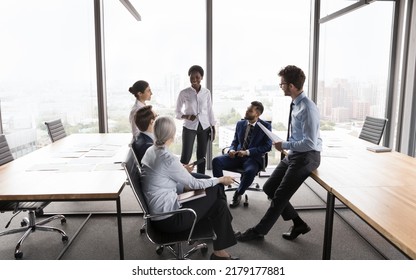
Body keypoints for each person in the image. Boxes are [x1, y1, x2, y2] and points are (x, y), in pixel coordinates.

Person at [237, 65, 322, 242]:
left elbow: (310, 143)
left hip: (307, 156)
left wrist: (283, 144)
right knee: (269, 187)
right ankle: (299, 224)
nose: (280, 86)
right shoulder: (295, 103)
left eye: (282, 83)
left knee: (280, 195)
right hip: (294, 153)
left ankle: (258, 231)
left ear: (291, 86)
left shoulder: (308, 108)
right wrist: (285, 145)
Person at [140, 116, 239, 260]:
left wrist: (182, 171)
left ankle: (220, 247)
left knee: (217, 202)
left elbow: (163, 177)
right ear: (172, 134)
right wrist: (221, 179)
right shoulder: (168, 159)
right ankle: (224, 227)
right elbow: (195, 185)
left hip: (162, 212)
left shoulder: (151, 150)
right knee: (216, 188)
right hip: (170, 220)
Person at [212, 101, 272, 208]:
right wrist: (231, 150)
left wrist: (248, 152)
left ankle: (238, 193)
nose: (246, 112)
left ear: (257, 114)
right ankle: (220, 194)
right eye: (247, 109)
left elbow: (267, 146)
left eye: (250, 111)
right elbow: (235, 142)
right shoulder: (240, 124)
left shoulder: (265, 126)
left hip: (252, 158)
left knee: (250, 171)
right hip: (236, 156)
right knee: (216, 161)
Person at [175, 65, 216, 174]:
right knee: (186, 155)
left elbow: (209, 110)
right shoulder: (184, 93)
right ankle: (181, 178)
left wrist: (213, 127)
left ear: (201, 77)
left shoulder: (206, 92)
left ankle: (201, 178)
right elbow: (177, 113)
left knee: (201, 156)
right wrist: (187, 116)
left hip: (205, 127)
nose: (194, 79)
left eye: (197, 77)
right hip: (189, 127)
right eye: (192, 77)